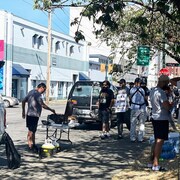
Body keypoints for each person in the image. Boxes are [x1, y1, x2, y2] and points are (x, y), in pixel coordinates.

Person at [22, 83, 56, 152]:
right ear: (41, 88)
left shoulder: (31, 92)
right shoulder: (38, 95)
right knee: (31, 131)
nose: (44, 91)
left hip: (30, 115)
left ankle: (33, 144)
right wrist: (51, 110)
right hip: (33, 115)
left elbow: (23, 101)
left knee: (33, 130)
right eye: (44, 90)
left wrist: (23, 111)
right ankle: (30, 146)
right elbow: (43, 105)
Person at [149, 75, 173, 171]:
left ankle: (151, 162)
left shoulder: (153, 91)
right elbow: (166, 106)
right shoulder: (161, 92)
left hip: (155, 116)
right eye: (166, 83)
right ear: (163, 82)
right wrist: (171, 104)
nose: (167, 85)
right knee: (160, 141)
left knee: (156, 140)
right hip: (161, 118)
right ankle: (156, 164)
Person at [129, 77, 147, 142]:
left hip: (134, 108)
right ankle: (140, 138)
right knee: (141, 123)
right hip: (141, 108)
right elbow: (145, 98)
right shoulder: (142, 90)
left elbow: (130, 98)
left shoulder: (131, 90)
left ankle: (132, 138)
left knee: (133, 123)